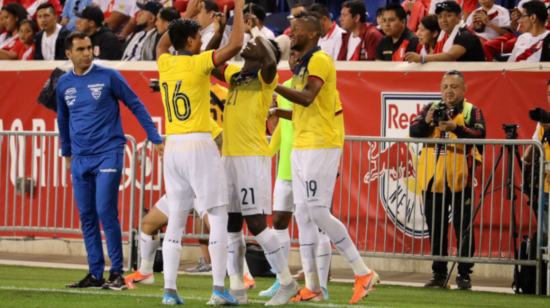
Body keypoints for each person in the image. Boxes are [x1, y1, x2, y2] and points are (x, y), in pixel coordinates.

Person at [271, 11, 379, 304]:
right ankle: (313, 287)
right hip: (304, 145)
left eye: (296, 29)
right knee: (304, 216)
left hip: (321, 144)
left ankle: (362, 271)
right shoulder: (302, 66)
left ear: (311, 34)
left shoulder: (320, 60)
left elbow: (307, 97)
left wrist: (271, 85)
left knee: (317, 212)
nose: (290, 33)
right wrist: (277, 111)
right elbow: (304, 109)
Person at [154, 0, 245, 304]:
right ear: (192, 41)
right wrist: (239, 7)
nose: (202, 41)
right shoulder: (199, 62)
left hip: (174, 145)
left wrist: (187, 16)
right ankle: (219, 290)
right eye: (199, 37)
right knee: (218, 215)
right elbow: (236, 43)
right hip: (198, 143)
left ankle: (169, 292)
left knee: (176, 220)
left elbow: (161, 43)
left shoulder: (164, 63)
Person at [58, 31, 164, 291]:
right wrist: (67, 154)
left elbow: (136, 104)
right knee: (87, 216)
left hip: (109, 152)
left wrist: (155, 137)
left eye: (89, 48)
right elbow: (62, 120)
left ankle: (117, 272)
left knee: (105, 210)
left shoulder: (109, 76)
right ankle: (95, 273)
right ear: (68, 54)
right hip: (80, 159)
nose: (86, 53)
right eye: (80, 49)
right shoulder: (63, 83)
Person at [210, 34, 301, 307]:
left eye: (253, 45)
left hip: (252, 156)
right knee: (232, 224)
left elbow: (272, 58)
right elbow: (209, 60)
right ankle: (237, 289)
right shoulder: (236, 74)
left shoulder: (266, 77)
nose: (247, 45)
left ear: (262, 55)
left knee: (257, 223)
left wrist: (256, 35)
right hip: (230, 156)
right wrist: (217, 32)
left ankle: (287, 282)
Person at [259, 49, 344, 301]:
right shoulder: (285, 87)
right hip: (289, 165)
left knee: (317, 222)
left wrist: (332, 161)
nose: (295, 59)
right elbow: (282, 128)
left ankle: (320, 283)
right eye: (292, 56)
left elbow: (334, 124)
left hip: (315, 158)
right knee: (281, 223)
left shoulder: (322, 88)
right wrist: (265, 153)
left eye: (299, 55)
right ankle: (281, 280)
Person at [409, 70, 486, 290]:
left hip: (461, 179)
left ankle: (464, 275)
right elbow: (413, 131)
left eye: (453, 87)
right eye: (445, 87)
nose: (448, 91)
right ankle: (439, 275)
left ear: (464, 90)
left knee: (463, 228)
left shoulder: (472, 110)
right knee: (436, 229)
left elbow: (481, 135)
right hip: (433, 180)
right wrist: (427, 120)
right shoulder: (431, 108)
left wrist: (456, 128)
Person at [404, 1, 486, 63]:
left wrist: (422, 58)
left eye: (448, 15)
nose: (443, 20)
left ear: (459, 17)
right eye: (439, 17)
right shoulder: (444, 35)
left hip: (475, 80)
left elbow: (450, 56)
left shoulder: (465, 35)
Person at [523, 79, 550, 241]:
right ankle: (544, 266)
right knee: (544, 236)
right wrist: (524, 157)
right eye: (549, 94)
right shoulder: (544, 123)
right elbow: (535, 146)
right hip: (545, 187)